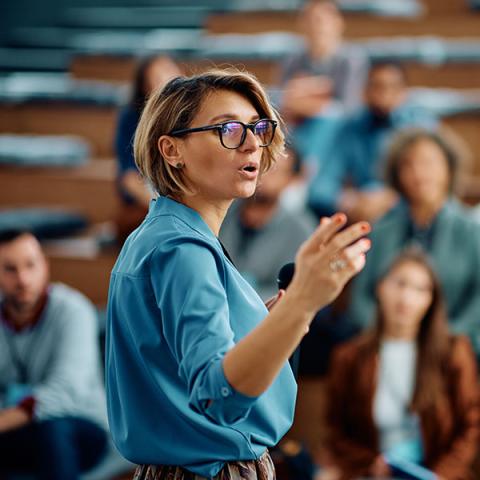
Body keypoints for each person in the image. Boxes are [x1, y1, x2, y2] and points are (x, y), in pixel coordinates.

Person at [105, 69, 372, 480]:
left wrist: (276, 317)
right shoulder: (182, 249)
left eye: (258, 127)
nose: (251, 143)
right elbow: (220, 396)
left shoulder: (163, 234)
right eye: (228, 129)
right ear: (172, 149)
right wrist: (302, 303)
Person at [320, 249, 479, 480]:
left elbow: (471, 426)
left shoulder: (453, 351)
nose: (406, 297)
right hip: (372, 473)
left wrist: (441, 475)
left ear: (431, 300)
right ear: (380, 287)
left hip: (437, 474)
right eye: (399, 283)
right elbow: (336, 432)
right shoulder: (349, 357)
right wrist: (370, 464)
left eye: (420, 289)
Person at [348, 128, 480, 355]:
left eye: (428, 163)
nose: (418, 173)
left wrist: (446, 337)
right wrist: (387, 335)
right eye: (407, 165)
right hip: (385, 346)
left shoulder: (471, 229)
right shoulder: (381, 230)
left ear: (449, 168)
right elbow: (360, 298)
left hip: (452, 348)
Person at [0, 229, 108, 480]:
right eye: (10, 269)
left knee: (54, 429)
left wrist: (5, 420)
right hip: (20, 429)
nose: (23, 279)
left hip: (78, 425)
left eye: (30, 265)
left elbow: (66, 390)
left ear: (45, 266)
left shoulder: (73, 310)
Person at [307, 62, 437, 223]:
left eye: (392, 87)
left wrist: (390, 198)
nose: (384, 94)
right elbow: (320, 188)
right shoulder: (349, 129)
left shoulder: (419, 127)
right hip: (360, 215)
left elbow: (433, 182)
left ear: (404, 93)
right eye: (377, 86)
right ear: (364, 91)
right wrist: (347, 200)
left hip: (407, 213)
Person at [219, 146, 316, 300]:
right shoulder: (222, 210)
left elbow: (291, 291)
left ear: (291, 180)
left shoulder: (300, 229)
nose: (265, 174)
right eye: (262, 165)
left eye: (276, 170)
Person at [115, 55, 182, 242]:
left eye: (171, 71)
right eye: (160, 76)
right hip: (149, 204)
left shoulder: (189, 113)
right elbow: (128, 179)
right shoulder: (131, 119)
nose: (170, 79)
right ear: (145, 88)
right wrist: (165, 209)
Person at [280, 0, 368, 120]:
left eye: (320, 20)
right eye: (308, 20)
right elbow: (283, 103)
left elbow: (349, 109)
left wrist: (306, 95)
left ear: (338, 23)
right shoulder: (292, 60)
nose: (315, 27)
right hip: (299, 129)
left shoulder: (352, 60)